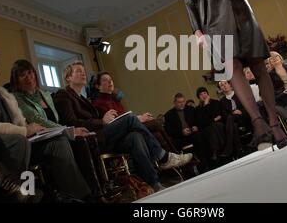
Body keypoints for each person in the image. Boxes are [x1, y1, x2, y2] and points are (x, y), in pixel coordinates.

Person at [180, 0, 287, 150]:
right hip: (213, 17)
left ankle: (274, 122)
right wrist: (197, 30)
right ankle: (258, 123)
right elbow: (189, 2)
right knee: (233, 67)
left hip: (239, 9)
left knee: (258, 65)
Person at [0, 47, 91, 200]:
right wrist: (23, 131)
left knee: (58, 142)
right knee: (18, 141)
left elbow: (24, 125)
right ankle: (18, 195)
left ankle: (78, 196)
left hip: (23, 142)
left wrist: (33, 130)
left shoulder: (5, 97)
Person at [52, 61, 192, 192]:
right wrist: (102, 121)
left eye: (83, 71)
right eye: (78, 71)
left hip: (103, 135)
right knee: (130, 119)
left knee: (135, 136)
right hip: (91, 140)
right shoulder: (63, 95)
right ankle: (163, 156)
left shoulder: (83, 99)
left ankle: (154, 183)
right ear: (68, 78)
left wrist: (103, 119)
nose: (83, 74)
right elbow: (71, 123)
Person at [10, 59, 114, 200]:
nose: (28, 77)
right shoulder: (16, 98)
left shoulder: (45, 95)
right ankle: (88, 195)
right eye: (23, 75)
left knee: (81, 139)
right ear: (16, 80)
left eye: (30, 73)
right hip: (37, 141)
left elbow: (56, 120)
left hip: (55, 134)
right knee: (68, 140)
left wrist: (69, 131)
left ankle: (97, 190)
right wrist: (68, 130)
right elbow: (37, 119)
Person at [92, 71, 177, 153]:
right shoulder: (98, 103)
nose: (110, 81)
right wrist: (139, 119)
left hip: (128, 128)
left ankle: (171, 158)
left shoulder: (115, 100)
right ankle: (172, 155)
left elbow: (125, 116)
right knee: (155, 123)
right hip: (120, 135)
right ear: (98, 86)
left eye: (110, 79)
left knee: (156, 134)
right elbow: (119, 122)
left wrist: (139, 117)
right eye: (105, 80)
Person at [164, 93, 209, 172]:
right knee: (174, 144)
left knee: (199, 137)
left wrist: (196, 127)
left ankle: (203, 166)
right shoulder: (168, 115)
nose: (182, 104)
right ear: (174, 103)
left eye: (183, 101)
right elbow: (169, 131)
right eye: (179, 102)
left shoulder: (190, 109)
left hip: (193, 134)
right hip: (179, 137)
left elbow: (199, 121)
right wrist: (181, 132)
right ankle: (187, 170)